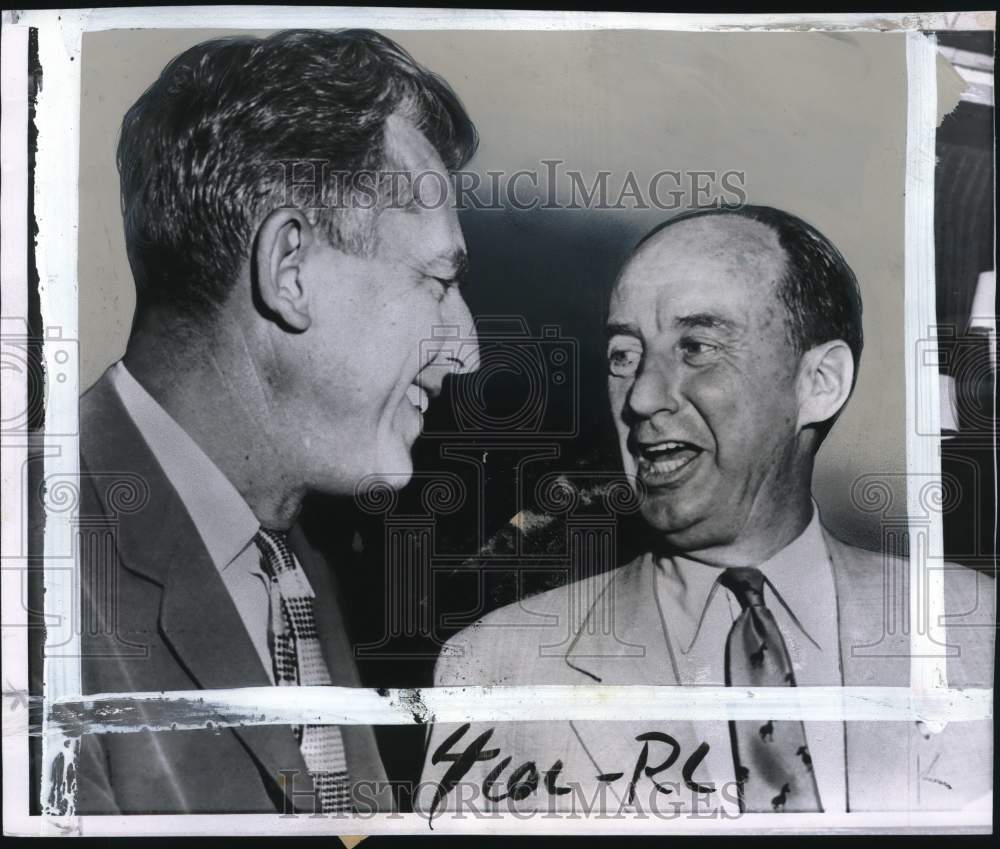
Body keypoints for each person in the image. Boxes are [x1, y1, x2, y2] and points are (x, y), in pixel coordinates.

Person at [419, 206, 994, 819]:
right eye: (623, 355)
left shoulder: (977, 626)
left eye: (695, 347)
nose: (641, 397)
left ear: (819, 382)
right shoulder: (496, 666)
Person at [77, 28, 479, 815]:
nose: (465, 349)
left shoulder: (293, 564)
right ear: (289, 269)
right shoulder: (30, 574)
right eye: (437, 281)